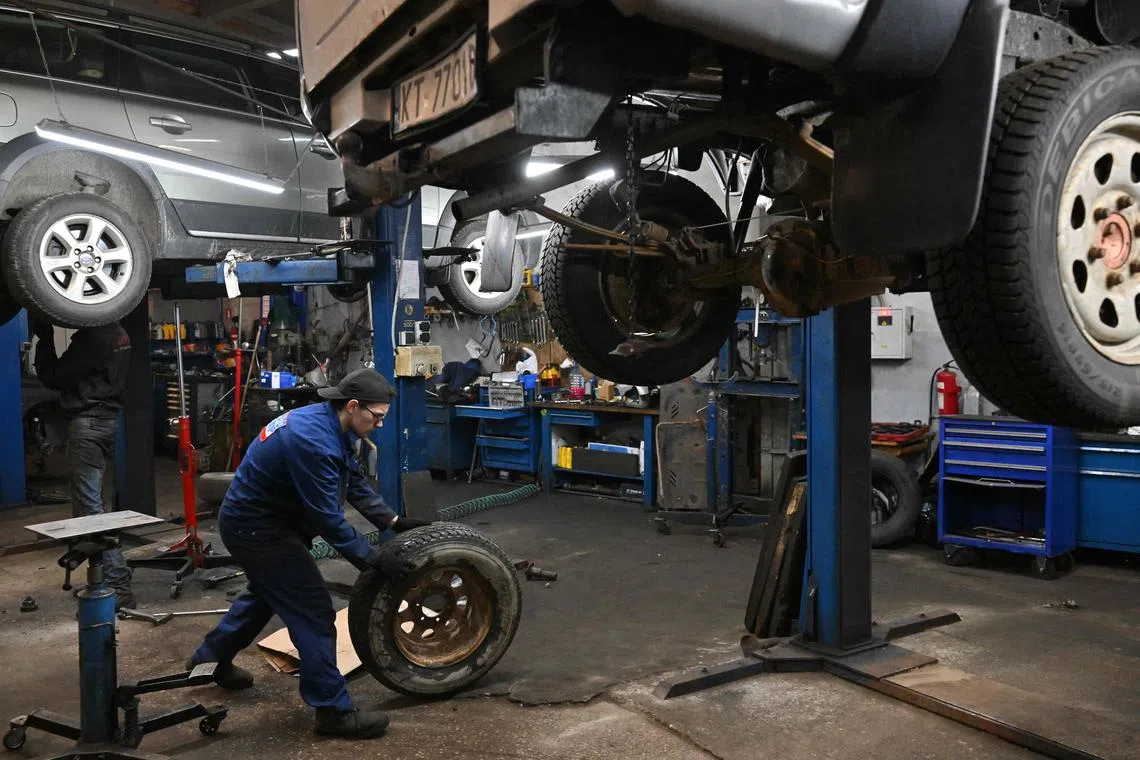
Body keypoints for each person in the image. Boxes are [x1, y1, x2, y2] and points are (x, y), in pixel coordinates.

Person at [186, 368, 431, 740]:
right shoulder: (311, 440)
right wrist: (373, 560)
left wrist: (393, 521)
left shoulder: (328, 422)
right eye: (377, 416)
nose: (380, 424)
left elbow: (352, 479)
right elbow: (328, 519)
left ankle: (208, 661)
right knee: (313, 613)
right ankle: (332, 711)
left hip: (267, 524)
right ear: (352, 405)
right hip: (259, 531)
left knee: (264, 596)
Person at [32, 319, 134, 607]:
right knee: (96, 505)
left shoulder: (93, 338)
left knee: (90, 509)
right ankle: (111, 579)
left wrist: (46, 339)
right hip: (106, 419)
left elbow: (54, 377)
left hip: (88, 422)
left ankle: (117, 587)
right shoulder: (118, 332)